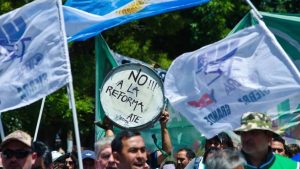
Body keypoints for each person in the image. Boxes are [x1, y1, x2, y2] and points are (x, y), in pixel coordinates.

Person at [235, 112, 300, 169]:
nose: (247, 138)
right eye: (243, 133)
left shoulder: (291, 166)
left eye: (253, 132)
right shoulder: (228, 165)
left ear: (268, 136)